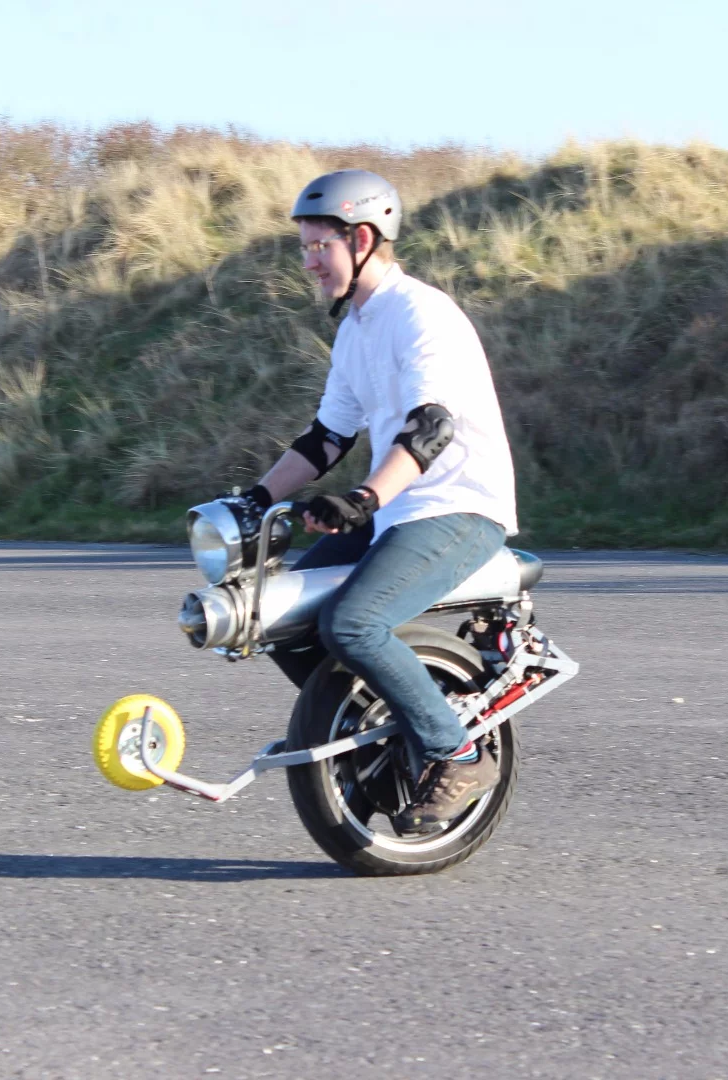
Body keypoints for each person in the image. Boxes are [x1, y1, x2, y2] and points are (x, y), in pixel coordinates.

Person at [234, 168, 519, 834]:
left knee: (352, 625)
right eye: (303, 248)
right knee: (276, 613)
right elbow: (327, 437)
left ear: (361, 238)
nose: (307, 262)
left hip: (457, 507)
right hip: (398, 509)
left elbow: (431, 428)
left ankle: (457, 751)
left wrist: (362, 498)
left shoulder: (419, 314)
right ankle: (360, 731)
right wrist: (254, 498)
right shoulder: (356, 328)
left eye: (317, 247)